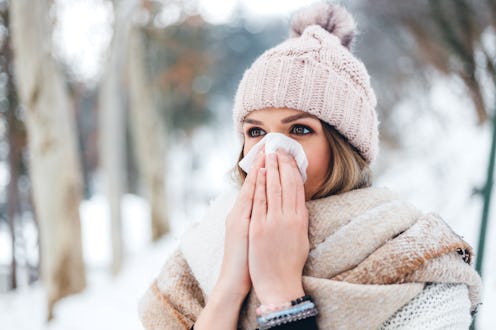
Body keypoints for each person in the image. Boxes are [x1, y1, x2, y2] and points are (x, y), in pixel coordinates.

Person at [139, 2, 482, 329]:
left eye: (299, 129)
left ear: (344, 147)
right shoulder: (206, 249)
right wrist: (229, 286)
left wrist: (282, 296)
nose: (271, 151)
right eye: (255, 131)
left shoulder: (417, 267)